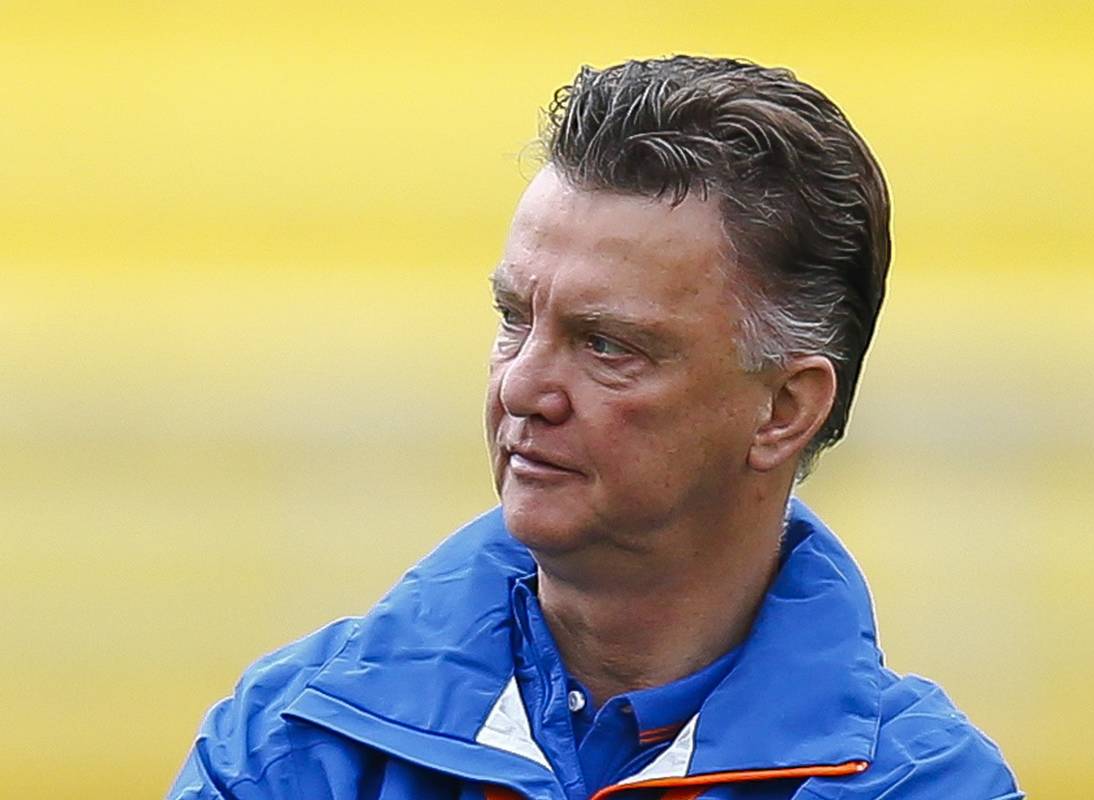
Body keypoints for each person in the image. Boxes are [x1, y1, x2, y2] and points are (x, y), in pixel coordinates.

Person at [169, 56, 1023, 800]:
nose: (523, 387)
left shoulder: (920, 785)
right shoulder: (295, 741)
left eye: (606, 344)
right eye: (514, 318)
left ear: (785, 410)